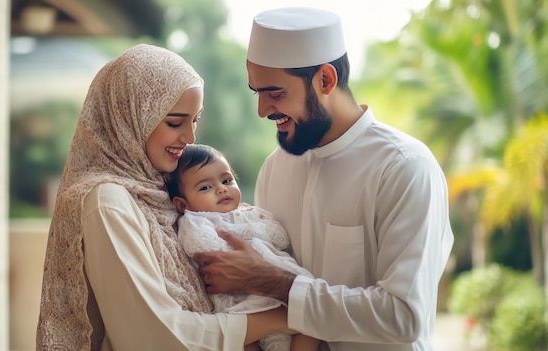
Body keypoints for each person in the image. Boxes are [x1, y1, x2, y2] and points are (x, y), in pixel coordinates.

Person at [193, 7, 455, 351]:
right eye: (257, 92)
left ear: (326, 80)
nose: (262, 110)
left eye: (275, 93)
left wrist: (277, 283)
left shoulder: (404, 167)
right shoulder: (275, 168)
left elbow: (404, 315)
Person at [35, 43, 293, 351]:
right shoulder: (107, 201)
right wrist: (282, 317)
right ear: (128, 117)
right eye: (174, 122)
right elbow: (155, 336)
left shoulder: (159, 190)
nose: (190, 137)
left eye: (194, 120)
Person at [167, 143, 320, 351]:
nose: (221, 189)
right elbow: (203, 245)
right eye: (205, 187)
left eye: (226, 180)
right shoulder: (196, 220)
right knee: (241, 342)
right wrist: (247, 233)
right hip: (239, 303)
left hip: (281, 293)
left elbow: (280, 237)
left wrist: (247, 230)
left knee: (311, 325)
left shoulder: (250, 212)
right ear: (183, 204)